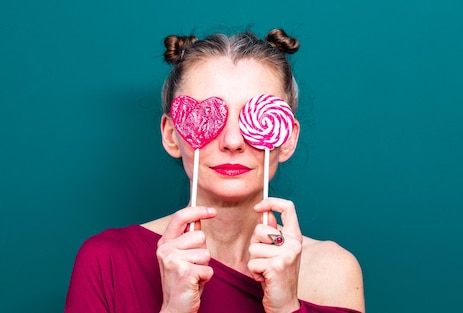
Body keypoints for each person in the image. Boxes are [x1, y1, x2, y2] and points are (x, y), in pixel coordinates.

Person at [64, 28, 365, 313]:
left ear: (286, 138)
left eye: (253, 117)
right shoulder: (107, 260)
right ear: (171, 134)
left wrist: (286, 307)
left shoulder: (334, 271)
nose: (233, 142)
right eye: (210, 116)